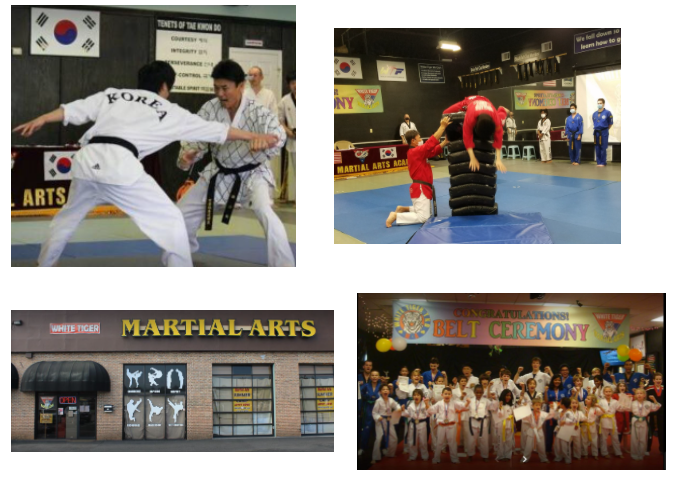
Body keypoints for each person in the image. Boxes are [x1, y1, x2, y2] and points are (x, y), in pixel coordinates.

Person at [12, 61, 278, 267]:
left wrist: (42, 119)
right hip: (119, 167)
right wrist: (255, 136)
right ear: (165, 87)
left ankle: (43, 265)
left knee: (67, 218)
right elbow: (221, 131)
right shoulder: (168, 109)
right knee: (172, 219)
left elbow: (72, 110)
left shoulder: (114, 95)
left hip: (85, 160)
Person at [172, 60, 294, 267]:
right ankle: (180, 258)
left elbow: (278, 135)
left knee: (266, 212)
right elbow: (195, 137)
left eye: (225, 88)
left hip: (253, 173)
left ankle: (285, 266)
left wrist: (266, 141)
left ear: (240, 86)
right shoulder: (209, 108)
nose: (220, 94)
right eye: (216, 88)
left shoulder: (257, 111)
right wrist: (188, 155)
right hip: (218, 171)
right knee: (180, 214)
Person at [385, 119, 450, 227]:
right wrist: (442, 127)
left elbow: (432, 151)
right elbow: (430, 143)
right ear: (413, 141)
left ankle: (403, 209)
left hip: (422, 187)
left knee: (427, 213)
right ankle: (396, 216)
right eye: (419, 138)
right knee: (424, 217)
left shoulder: (418, 152)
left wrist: (444, 142)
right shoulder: (415, 152)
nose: (421, 140)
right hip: (420, 188)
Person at [442, 95, 508, 174]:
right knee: (445, 113)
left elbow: (498, 139)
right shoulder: (470, 117)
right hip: (470, 102)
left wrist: (498, 159)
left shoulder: (497, 119)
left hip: (486, 102)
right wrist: (472, 158)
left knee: (501, 120)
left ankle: (502, 110)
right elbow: (467, 137)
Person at [426, 387, 469, 464]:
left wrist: (467, 402)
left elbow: (463, 406)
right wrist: (426, 403)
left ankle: (454, 458)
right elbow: (431, 410)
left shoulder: (454, 403)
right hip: (441, 425)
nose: (447, 395)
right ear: (442, 395)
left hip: (451, 425)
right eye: (445, 394)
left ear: (451, 395)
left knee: (452, 442)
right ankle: (436, 458)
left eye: (449, 394)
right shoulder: (439, 403)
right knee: (439, 442)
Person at [278, 72, 296, 202]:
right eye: (292, 83)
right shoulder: (285, 100)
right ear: (289, 85)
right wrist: (288, 131)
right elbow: (279, 120)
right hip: (294, 139)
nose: (295, 85)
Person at [371, 384, 401, 463]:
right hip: (380, 421)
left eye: (387, 389)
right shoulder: (378, 401)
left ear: (389, 391)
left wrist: (399, 408)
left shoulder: (391, 400)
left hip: (389, 420)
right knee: (379, 438)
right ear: (380, 392)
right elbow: (374, 412)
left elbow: (396, 405)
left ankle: (390, 453)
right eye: (383, 389)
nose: (385, 391)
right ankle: (375, 457)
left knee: (394, 438)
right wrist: (378, 417)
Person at [630, 388, 661, 461]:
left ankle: (641, 453)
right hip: (635, 420)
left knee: (643, 438)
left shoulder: (648, 403)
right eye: (637, 393)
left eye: (641, 393)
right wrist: (628, 399)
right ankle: (634, 454)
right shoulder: (632, 403)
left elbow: (657, 407)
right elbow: (624, 407)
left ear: (644, 395)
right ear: (635, 395)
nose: (639, 395)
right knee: (634, 438)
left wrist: (654, 399)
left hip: (644, 420)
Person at [521, 397, 553, 463]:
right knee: (528, 447)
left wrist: (552, 408)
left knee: (542, 447)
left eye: (539, 405)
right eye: (536, 405)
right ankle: (524, 459)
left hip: (539, 431)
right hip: (531, 430)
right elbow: (523, 418)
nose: (538, 406)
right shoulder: (529, 413)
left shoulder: (543, 414)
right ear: (533, 406)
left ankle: (544, 458)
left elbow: (551, 415)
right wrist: (524, 408)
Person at [401, 389, 430, 461]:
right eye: (414, 395)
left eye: (418, 395)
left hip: (422, 424)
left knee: (423, 441)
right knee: (412, 441)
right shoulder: (410, 405)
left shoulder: (424, 404)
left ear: (421, 396)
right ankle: (412, 456)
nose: (416, 396)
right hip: (413, 424)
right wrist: (403, 410)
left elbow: (428, 413)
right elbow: (408, 414)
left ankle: (424, 456)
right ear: (413, 396)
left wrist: (427, 405)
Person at [360, 370, 383, 455]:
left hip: (379, 409)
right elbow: (360, 394)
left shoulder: (382, 386)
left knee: (380, 429)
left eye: (376, 375)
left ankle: (382, 448)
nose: (374, 377)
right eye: (372, 375)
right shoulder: (366, 386)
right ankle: (362, 447)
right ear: (370, 377)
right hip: (369, 408)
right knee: (366, 428)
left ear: (379, 377)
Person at [466, 385, 490, 461]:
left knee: (484, 440)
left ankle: (485, 456)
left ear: (483, 392)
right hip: (472, 421)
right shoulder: (470, 400)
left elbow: (493, 407)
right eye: (477, 392)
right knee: (471, 440)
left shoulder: (486, 401)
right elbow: (465, 407)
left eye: (480, 392)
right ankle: (470, 454)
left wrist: (494, 399)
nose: (479, 394)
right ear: (474, 392)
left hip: (483, 421)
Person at [598, 385, 623, 458]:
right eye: (606, 392)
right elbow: (598, 411)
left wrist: (624, 402)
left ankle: (618, 452)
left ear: (612, 392)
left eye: (609, 391)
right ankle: (604, 452)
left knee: (615, 438)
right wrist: (605, 411)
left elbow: (620, 408)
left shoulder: (615, 401)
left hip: (612, 420)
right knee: (603, 438)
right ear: (604, 393)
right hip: (604, 420)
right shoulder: (601, 401)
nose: (608, 393)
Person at [544, 374, 565, 452]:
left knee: (559, 429)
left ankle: (559, 449)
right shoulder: (548, 389)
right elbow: (546, 401)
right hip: (550, 410)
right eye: (555, 380)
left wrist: (560, 405)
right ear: (552, 381)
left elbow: (566, 401)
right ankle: (548, 449)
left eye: (559, 380)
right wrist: (545, 392)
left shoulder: (564, 390)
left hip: (560, 411)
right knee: (549, 430)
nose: (557, 381)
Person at [493, 388, 516, 461]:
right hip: (501, 424)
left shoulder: (512, 406)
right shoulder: (500, 404)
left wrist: (514, 422)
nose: (508, 397)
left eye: (509, 396)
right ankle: (501, 455)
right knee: (501, 440)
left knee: (509, 440)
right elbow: (499, 415)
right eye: (506, 395)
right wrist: (500, 407)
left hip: (510, 424)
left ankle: (507, 455)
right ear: (503, 396)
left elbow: (514, 415)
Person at [646, 372, 665, 455]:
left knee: (662, 432)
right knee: (650, 431)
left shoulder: (664, 389)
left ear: (662, 380)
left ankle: (663, 449)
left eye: (660, 379)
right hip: (652, 413)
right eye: (656, 379)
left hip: (662, 414)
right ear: (653, 380)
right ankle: (647, 449)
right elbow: (645, 401)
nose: (658, 380)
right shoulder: (648, 389)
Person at [553, 397, 575, 463]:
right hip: (559, 429)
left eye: (560, 402)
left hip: (566, 430)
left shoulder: (569, 413)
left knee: (565, 445)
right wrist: (556, 409)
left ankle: (567, 458)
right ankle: (558, 456)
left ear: (563, 404)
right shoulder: (560, 411)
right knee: (557, 444)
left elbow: (573, 421)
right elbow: (555, 417)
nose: (559, 404)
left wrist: (565, 421)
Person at [612, 380, 633, 452]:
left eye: (623, 386)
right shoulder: (615, 395)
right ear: (618, 387)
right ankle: (616, 448)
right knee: (617, 432)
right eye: (620, 386)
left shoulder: (629, 395)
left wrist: (631, 398)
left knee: (625, 432)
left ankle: (625, 447)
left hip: (626, 414)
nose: (622, 387)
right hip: (618, 415)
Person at [592, 98, 613, 167]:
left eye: (600, 103)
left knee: (603, 147)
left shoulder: (608, 113)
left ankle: (603, 162)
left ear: (603, 104)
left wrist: (605, 129)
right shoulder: (594, 114)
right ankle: (598, 162)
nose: (599, 104)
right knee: (597, 147)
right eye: (598, 103)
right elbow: (594, 122)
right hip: (596, 132)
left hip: (604, 131)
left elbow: (610, 123)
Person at [583, 394, 603, 459]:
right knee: (584, 440)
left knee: (594, 440)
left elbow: (603, 412)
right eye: (586, 398)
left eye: (588, 399)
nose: (586, 400)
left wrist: (599, 406)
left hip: (592, 425)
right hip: (584, 425)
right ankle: (585, 453)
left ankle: (595, 454)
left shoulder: (595, 408)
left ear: (592, 401)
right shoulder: (583, 407)